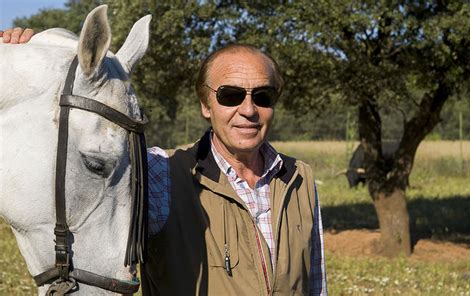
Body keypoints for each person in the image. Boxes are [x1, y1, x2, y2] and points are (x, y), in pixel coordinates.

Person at [3, 29, 327, 295]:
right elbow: (89, 158)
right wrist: (29, 64)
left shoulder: (300, 178)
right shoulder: (161, 175)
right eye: (230, 95)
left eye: (263, 97)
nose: (249, 109)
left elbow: (315, 284)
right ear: (205, 105)